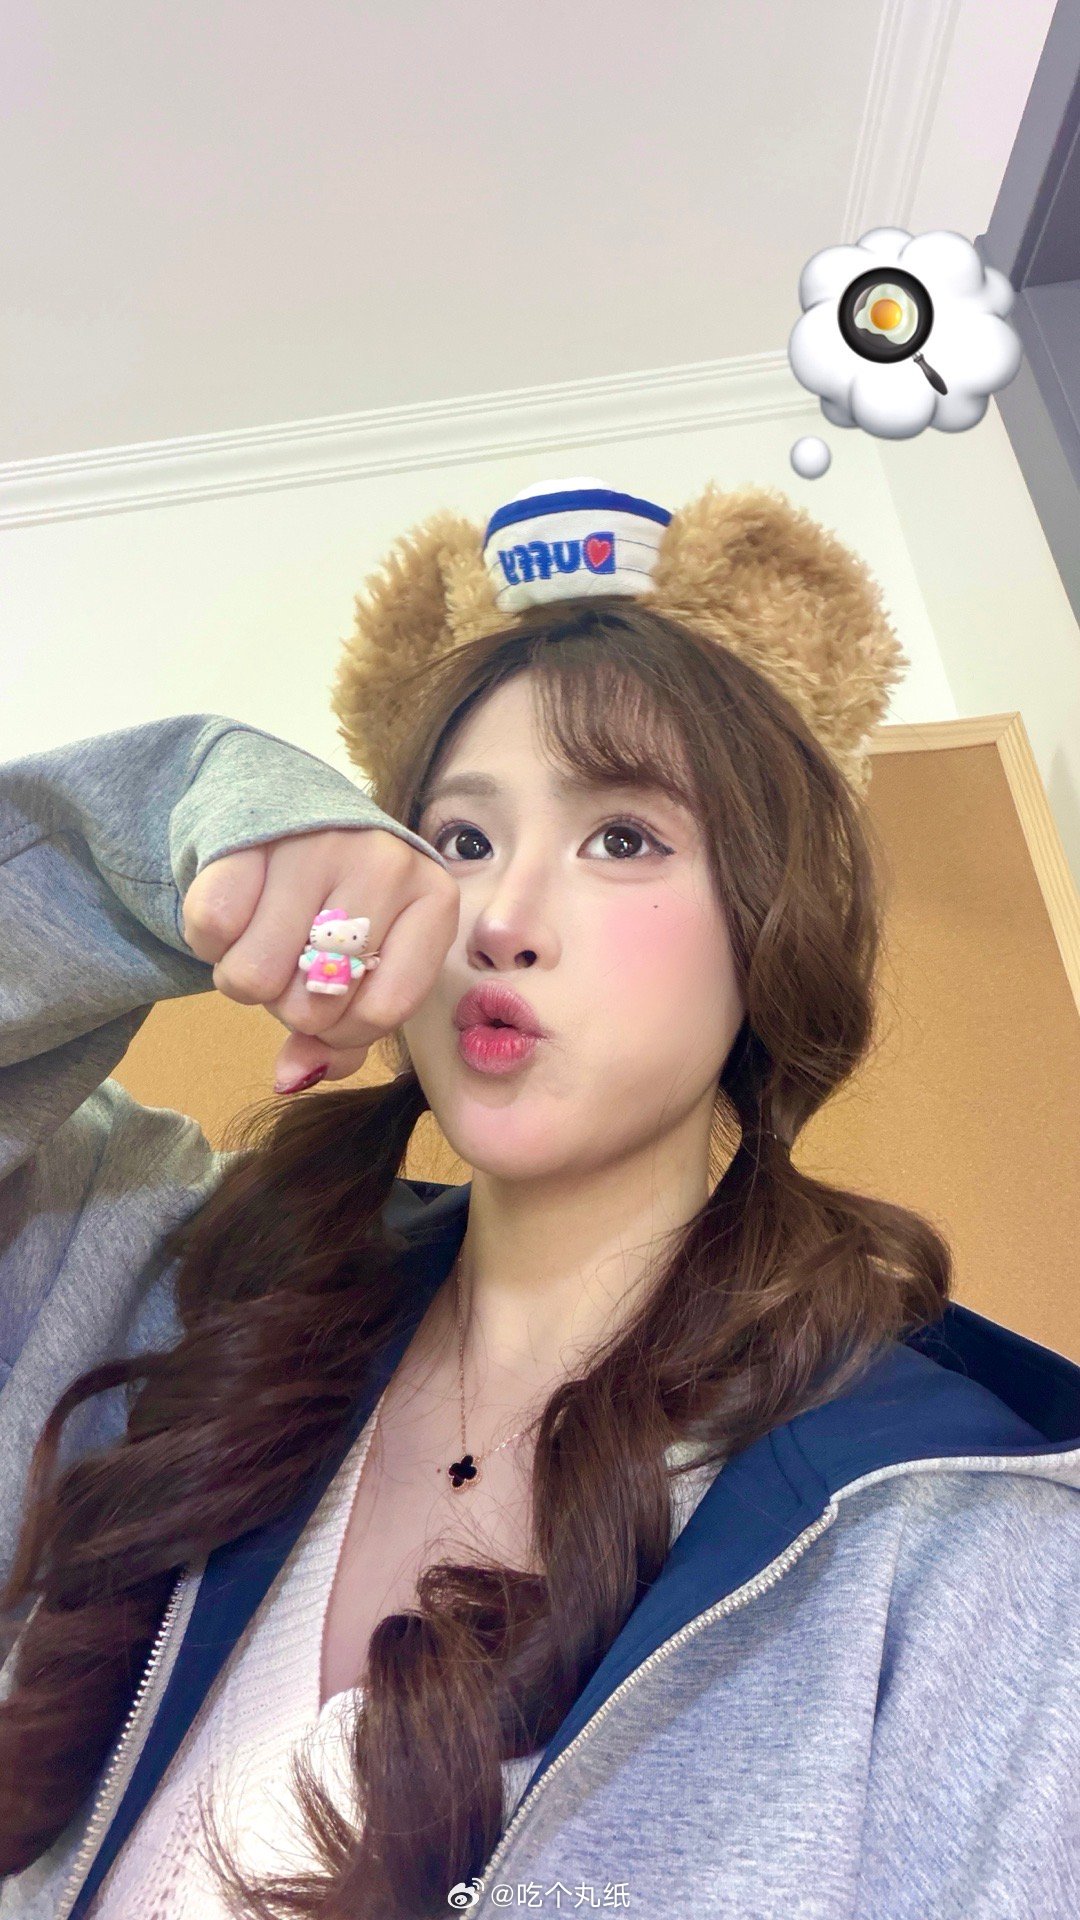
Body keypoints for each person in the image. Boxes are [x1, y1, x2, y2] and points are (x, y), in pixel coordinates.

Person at [0, 475, 1078, 1920]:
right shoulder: (164, 1280)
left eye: (622, 837)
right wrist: (184, 810)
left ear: (767, 926)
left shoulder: (955, 1547)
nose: (500, 919)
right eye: (458, 842)